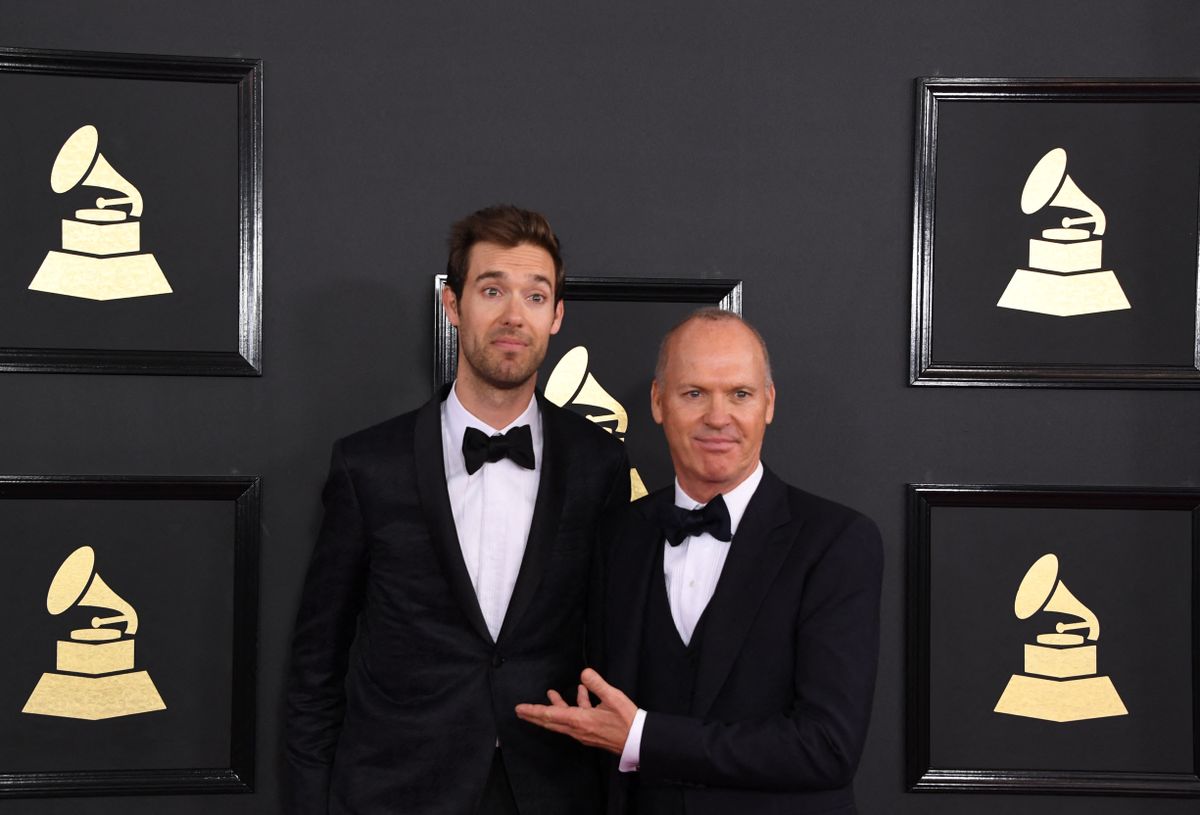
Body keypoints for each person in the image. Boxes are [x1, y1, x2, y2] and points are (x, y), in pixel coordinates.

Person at [286, 205, 629, 815]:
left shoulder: (598, 465)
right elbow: (317, 661)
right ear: (453, 304)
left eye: (534, 295)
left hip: (552, 787)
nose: (512, 315)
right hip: (398, 791)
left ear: (556, 317)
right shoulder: (368, 465)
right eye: (491, 290)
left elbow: (614, 642)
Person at [516, 308, 882, 815]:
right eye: (694, 393)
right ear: (658, 402)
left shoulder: (838, 542)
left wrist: (643, 736)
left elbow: (827, 748)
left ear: (768, 404)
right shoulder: (617, 535)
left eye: (740, 394)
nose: (718, 416)